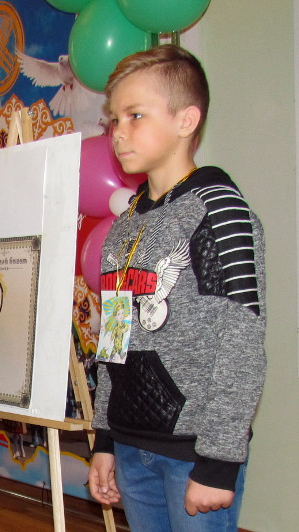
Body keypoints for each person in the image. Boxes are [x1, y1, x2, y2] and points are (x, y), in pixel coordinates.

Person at [88, 45, 266, 532]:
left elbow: (242, 343)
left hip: (194, 455)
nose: (118, 132)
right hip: (131, 446)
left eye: (135, 115)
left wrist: (218, 462)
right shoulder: (123, 228)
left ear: (186, 120)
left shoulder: (219, 212)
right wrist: (105, 439)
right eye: (114, 119)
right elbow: (114, 338)